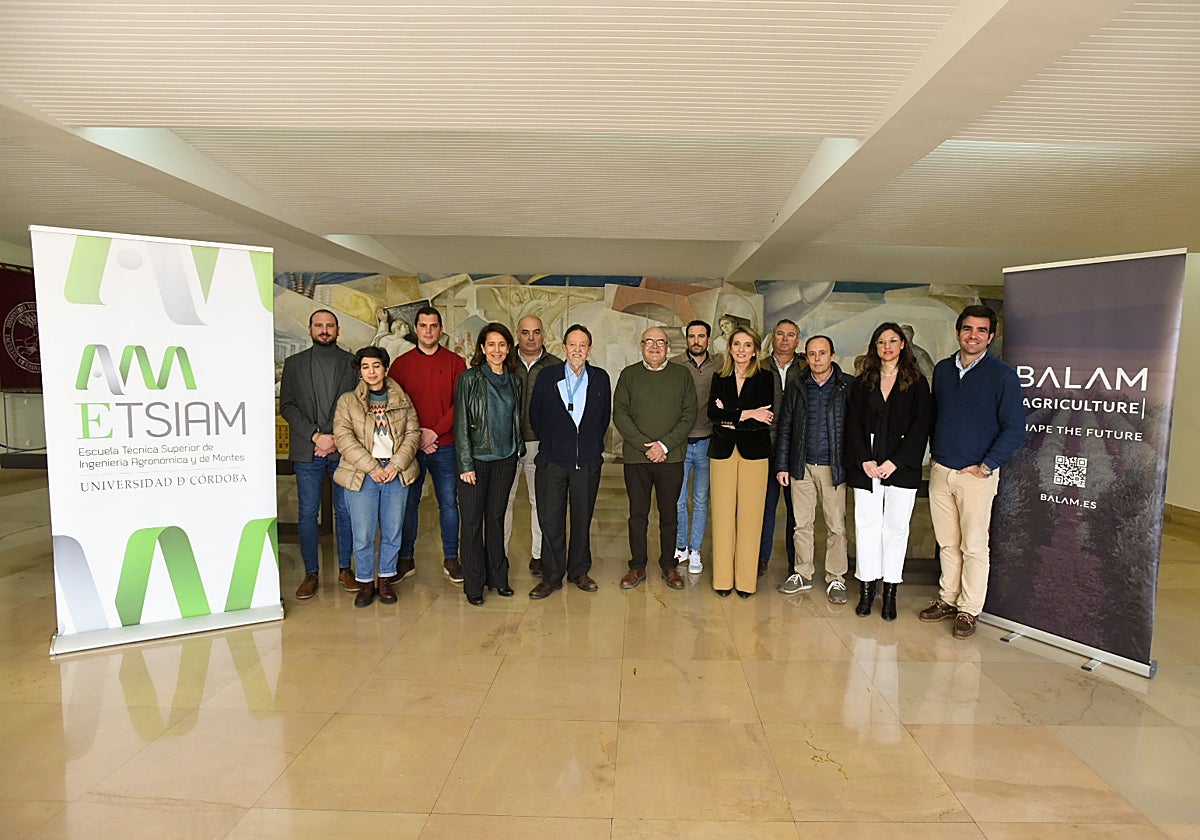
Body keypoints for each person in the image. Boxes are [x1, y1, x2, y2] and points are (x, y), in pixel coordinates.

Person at [920, 305, 1025, 639]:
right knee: (947, 542)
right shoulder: (943, 371)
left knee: (974, 545)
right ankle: (948, 598)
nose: (973, 336)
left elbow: (1015, 428)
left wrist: (986, 465)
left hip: (976, 476)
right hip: (941, 470)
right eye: (967, 329)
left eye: (981, 330)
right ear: (957, 332)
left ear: (991, 336)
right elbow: (936, 417)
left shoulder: (1002, 375)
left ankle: (969, 609)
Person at [844, 322, 932, 621]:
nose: (888, 346)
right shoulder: (862, 382)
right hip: (866, 465)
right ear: (875, 347)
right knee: (867, 527)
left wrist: (895, 462)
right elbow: (852, 424)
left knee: (895, 529)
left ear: (903, 345)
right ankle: (867, 590)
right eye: (881, 342)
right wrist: (864, 460)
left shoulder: (917, 383)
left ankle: (891, 591)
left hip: (901, 466)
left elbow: (922, 426)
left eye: (893, 341)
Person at [278, 309, 358, 599]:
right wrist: (316, 435)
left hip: (343, 451)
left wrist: (335, 438)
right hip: (308, 449)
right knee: (308, 513)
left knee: (345, 512)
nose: (324, 330)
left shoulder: (352, 363)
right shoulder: (294, 364)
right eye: (319, 325)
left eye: (330, 326)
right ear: (310, 329)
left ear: (338, 329)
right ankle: (310, 573)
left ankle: (345, 569)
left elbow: (357, 407)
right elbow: (287, 405)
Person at [332, 346, 421, 607]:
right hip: (362, 474)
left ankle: (385, 579)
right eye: (365, 367)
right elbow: (343, 438)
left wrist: (395, 465)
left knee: (393, 530)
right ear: (360, 371)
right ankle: (365, 582)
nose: (371, 372)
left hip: (396, 472)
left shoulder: (402, 399)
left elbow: (413, 434)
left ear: (385, 368)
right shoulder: (347, 401)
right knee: (363, 532)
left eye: (376, 366)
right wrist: (373, 467)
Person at [527, 324, 611, 599]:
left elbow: (603, 420)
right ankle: (552, 575)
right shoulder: (547, 376)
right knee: (550, 519)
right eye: (572, 344)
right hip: (552, 461)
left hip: (586, 462)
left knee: (582, 518)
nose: (577, 349)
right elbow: (535, 415)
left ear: (589, 349)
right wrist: (554, 443)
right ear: (563, 348)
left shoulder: (600, 378)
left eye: (583, 344)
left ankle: (579, 571)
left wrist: (588, 447)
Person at [613, 326, 697, 591]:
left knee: (670, 513)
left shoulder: (682, 375)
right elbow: (620, 414)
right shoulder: (629, 375)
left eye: (660, 342)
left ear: (668, 347)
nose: (654, 346)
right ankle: (637, 565)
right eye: (649, 341)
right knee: (637, 514)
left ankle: (669, 566)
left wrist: (664, 445)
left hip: (671, 459)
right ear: (641, 346)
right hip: (637, 458)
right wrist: (644, 445)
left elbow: (689, 415)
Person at [388, 306, 467, 585]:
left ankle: (451, 558)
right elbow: (395, 406)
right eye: (423, 326)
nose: (428, 331)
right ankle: (406, 558)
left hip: (445, 445)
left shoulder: (456, 363)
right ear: (416, 329)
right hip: (410, 447)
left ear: (440, 329)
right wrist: (418, 435)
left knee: (449, 503)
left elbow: (461, 404)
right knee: (408, 504)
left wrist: (434, 433)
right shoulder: (400, 365)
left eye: (433, 326)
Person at [773, 335, 853, 604]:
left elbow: (857, 429)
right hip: (802, 465)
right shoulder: (797, 386)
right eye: (811, 354)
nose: (817, 359)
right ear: (805, 357)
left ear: (833, 355)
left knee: (836, 526)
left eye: (822, 353)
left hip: (834, 466)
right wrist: (783, 465)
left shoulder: (846, 386)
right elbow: (785, 427)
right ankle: (802, 573)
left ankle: (836, 577)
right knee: (801, 525)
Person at [454, 323, 523, 606]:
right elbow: (460, 424)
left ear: (509, 349)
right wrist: (465, 464)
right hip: (477, 462)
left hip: (505, 460)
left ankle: (498, 578)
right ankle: (474, 584)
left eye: (502, 344)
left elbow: (515, 418)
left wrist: (516, 450)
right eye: (491, 344)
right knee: (471, 523)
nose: (497, 350)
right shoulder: (469, 379)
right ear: (482, 348)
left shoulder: (515, 380)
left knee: (495, 520)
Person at [707, 326, 774, 598]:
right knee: (722, 516)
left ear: (755, 350)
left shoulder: (765, 378)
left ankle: (746, 582)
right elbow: (713, 414)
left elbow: (765, 419)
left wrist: (731, 417)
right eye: (737, 344)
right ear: (730, 348)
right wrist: (747, 414)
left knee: (751, 516)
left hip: (755, 454)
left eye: (747, 345)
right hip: (722, 452)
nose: (741, 350)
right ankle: (722, 579)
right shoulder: (719, 378)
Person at [504, 315, 562, 578]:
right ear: (517, 334)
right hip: (506, 444)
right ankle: (499, 555)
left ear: (543, 334)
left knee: (541, 502)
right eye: (525, 332)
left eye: (536, 332)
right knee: (504, 502)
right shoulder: (504, 362)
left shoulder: (556, 366)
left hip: (541, 444)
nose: (530, 337)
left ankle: (539, 555)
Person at [670, 320, 722, 575]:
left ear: (708, 340)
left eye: (701, 336)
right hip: (680, 443)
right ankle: (680, 547)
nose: (696, 341)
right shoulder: (675, 365)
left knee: (701, 499)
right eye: (692, 336)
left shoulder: (721, 365)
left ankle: (695, 550)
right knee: (679, 500)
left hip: (707, 442)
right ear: (686, 339)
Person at [759, 319, 802, 578]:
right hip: (766, 448)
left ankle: (795, 563)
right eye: (780, 334)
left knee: (797, 512)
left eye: (791, 335)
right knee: (765, 508)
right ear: (772, 338)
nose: (785, 339)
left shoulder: (807, 369)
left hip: (797, 450)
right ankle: (760, 559)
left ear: (797, 341)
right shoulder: (760, 367)